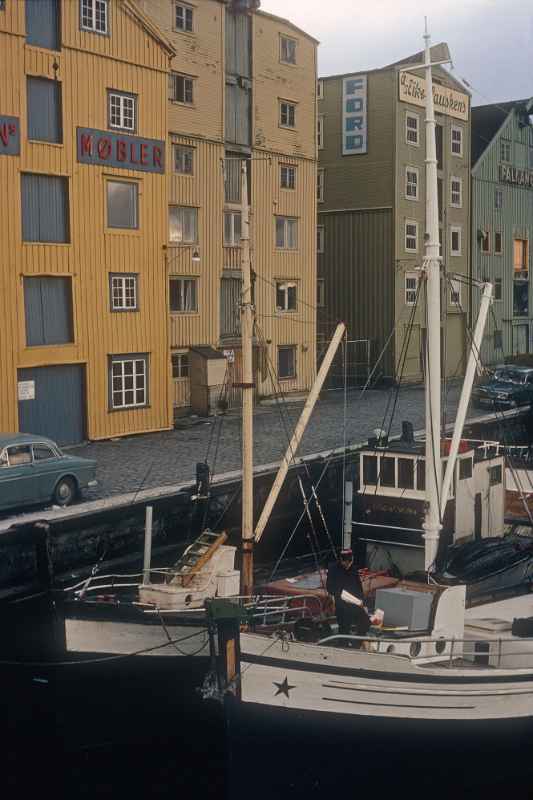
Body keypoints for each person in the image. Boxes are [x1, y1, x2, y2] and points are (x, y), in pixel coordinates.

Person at [326, 549, 371, 642]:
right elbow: (330, 587)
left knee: (365, 621)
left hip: (355, 602)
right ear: (341, 560)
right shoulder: (333, 569)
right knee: (344, 625)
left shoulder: (354, 569)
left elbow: (359, 588)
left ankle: (359, 641)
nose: (347, 564)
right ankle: (343, 644)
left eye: (349, 561)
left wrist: (363, 603)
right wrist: (338, 596)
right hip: (341, 602)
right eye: (345, 562)